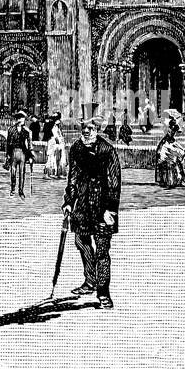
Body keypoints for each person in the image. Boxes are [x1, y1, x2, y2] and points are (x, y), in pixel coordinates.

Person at [63, 117, 121, 310]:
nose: (86, 131)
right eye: (83, 127)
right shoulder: (77, 149)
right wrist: (69, 202)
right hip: (83, 206)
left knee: (103, 250)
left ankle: (103, 293)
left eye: (90, 128)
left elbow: (114, 185)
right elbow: (73, 178)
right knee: (81, 241)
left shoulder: (108, 151)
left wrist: (110, 210)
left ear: (98, 129)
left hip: (103, 208)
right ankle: (90, 280)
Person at [4, 109, 34, 199]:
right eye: (19, 118)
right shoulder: (11, 129)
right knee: (13, 172)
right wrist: (8, 155)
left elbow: (29, 145)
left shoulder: (27, 131)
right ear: (16, 119)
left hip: (23, 153)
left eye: (22, 118)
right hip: (13, 152)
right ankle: (13, 189)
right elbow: (8, 143)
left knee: (22, 173)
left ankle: (21, 191)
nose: (20, 120)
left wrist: (31, 156)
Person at [154, 114, 185, 188]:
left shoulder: (172, 130)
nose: (173, 132)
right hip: (166, 148)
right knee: (171, 159)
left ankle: (177, 179)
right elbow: (167, 140)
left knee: (177, 157)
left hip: (169, 146)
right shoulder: (168, 131)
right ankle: (172, 180)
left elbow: (172, 139)